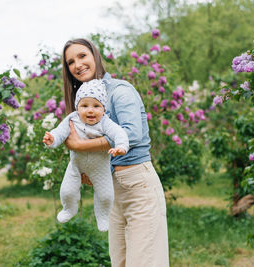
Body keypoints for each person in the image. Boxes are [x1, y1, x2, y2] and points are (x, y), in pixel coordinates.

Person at [61, 38, 169, 267]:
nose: (77, 64)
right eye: (71, 61)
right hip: (111, 189)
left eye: (82, 56)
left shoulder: (119, 90)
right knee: (119, 262)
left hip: (138, 186)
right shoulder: (85, 103)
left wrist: (81, 146)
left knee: (145, 262)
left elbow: (132, 134)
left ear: (95, 56)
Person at [43, 78, 129, 232]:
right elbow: (61, 131)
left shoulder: (105, 122)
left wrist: (121, 147)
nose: (90, 110)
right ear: (77, 107)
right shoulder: (72, 118)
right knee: (67, 191)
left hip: (100, 167)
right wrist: (52, 139)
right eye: (84, 106)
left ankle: (102, 216)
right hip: (76, 166)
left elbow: (119, 133)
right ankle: (69, 209)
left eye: (96, 106)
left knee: (106, 195)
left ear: (103, 109)